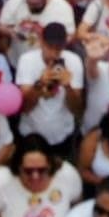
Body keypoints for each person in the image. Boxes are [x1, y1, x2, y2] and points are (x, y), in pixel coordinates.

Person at [14, 22, 84, 157]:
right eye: (49, 47)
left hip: (62, 136)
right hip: (31, 135)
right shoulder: (27, 60)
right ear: (41, 42)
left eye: (58, 49)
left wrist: (68, 87)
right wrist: (39, 84)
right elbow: (24, 108)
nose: (53, 53)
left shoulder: (74, 61)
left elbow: (77, 110)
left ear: (64, 45)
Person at [0, 0, 76, 66]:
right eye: (30, 4)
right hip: (19, 62)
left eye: (37, 4)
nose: (33, 7)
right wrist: (12, 32)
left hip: (49, 64)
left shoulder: (62, 7)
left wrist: (52, 45)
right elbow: (1, 27)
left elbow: (71, 35)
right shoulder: (14, 2)